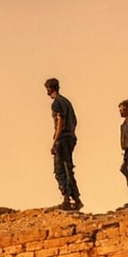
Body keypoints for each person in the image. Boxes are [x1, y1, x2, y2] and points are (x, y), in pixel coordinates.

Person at [44, 77, 81, 210]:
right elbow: (75, 121)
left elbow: (60, 122)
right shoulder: (67, 102)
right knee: (68, 168)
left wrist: (55, 141)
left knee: (60, 169)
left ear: (50, 88)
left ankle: (66, 198)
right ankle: (76, 199)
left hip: (63, 138)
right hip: (70, 137)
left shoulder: (57, 103)